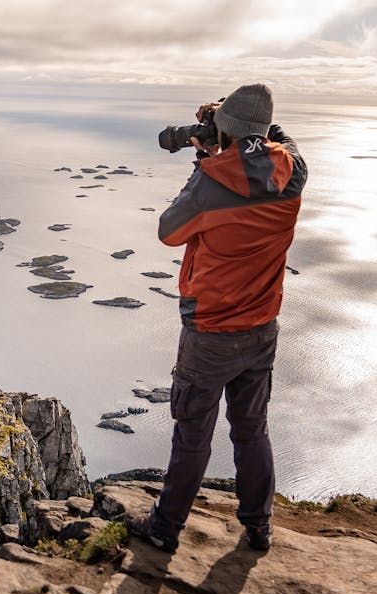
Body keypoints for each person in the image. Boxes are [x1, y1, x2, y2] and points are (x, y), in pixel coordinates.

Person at [128, 83, 307, 553]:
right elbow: (281, 143)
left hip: (210, 330)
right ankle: (258, 528)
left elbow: (169, 231)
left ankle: (165, 529)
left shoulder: (211, 181)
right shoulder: (293, 173)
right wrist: (237, 132)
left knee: (193, 434)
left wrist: (205, 156)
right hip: (262, 327)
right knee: (251, 429)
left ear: (224, 130)